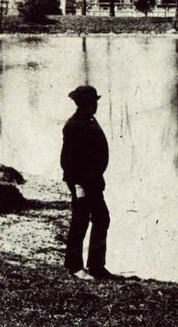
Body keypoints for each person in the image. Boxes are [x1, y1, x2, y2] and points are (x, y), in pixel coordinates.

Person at [60, 84, 117, 279]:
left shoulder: (88, 120)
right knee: (82, 220)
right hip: (82, 183)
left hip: (92, 181)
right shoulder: (74, 125)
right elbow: (67, 161)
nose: (96, 105)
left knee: (100, 218)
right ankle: (75, 266)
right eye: (94, 102)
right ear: (86, 104)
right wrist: (77, 186)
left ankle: (96, 266)